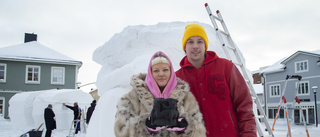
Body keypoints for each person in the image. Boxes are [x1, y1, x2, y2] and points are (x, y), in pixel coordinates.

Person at [175, 23, 257, 137]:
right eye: (190, 42)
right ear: (184, 46)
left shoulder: (226, 67)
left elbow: (244, 106)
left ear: (205, 45)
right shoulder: (176, 79)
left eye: (200, 41)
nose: (195, 46)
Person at [114, 51, 206, 137]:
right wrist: (145, 125)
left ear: (171, 72)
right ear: (150, 73)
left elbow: (199, 131)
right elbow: (121, 131)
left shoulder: (186, 98)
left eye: (165, 70)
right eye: (156, 70)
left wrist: (185, 126)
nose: (161, 74)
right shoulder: (131, 99)